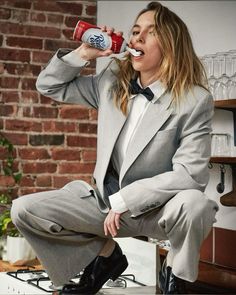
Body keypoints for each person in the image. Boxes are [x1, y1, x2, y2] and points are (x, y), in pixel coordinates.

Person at [11, 2, 219, 294]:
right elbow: (49, 86)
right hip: (102, 206)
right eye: (136, 31)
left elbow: (190, 175)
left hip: (157, 210)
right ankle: (107, 256)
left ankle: (175, 275)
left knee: (196, 204)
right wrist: (85, 53)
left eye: (150, 32)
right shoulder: (111, 81)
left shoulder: (193, 100)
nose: (137, 38)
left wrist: (125, 201)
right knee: (24, 210)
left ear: (171, 45)